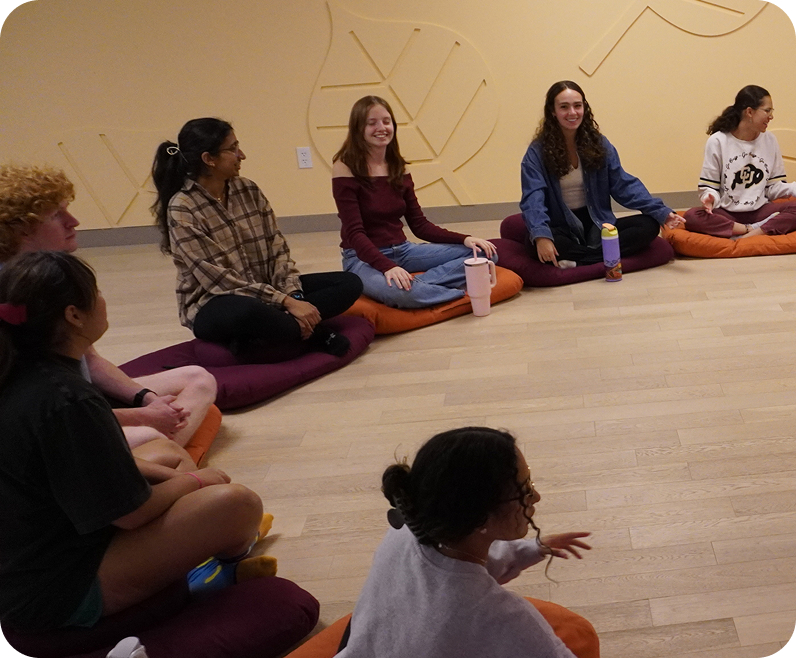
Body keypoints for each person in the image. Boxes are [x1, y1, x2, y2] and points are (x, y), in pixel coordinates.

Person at [0, 251, 277, 633]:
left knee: (166, 452)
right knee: (237, 503)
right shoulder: (66, 399)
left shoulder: (26, 372)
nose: (103, 299)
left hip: (54, 547)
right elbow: (131, 514)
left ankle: (201, 544)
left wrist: (174, 476)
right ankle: (219, 567)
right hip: (61, 590)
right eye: (96, 291)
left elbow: (79, 472)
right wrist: (197, 481)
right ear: (73, 315)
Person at [0, 164, 216, 468]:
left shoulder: (51, 275)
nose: (73, 221)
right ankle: (141, 464)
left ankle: (145, 458)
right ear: (22, 228)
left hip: (80, 405)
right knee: (151, 437)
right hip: (54, 426)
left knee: (199, 379)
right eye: (57, 215)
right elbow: (50, 410)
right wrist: (144, 417)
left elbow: (90, 361)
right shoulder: (17, 295)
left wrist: (147, 398)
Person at [336, 426, 597, 658]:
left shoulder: (407, 531)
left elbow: (462, 564)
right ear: (479, 517)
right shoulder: (502, 617)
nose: (536, 496)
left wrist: (534, 548)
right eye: (524, 488)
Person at [151, 118, 363, 357]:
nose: (241, 155)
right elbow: (222, 282)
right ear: (209, 159)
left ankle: (279, 332)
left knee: (349, 284)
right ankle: (313, 332)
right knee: (248, 312)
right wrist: (288, 303)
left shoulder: (248, 189)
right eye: (232, 149)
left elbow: (278, 249)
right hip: (218, 302)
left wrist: (293, 294)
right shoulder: (183, 208)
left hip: (269, 293)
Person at [332, 96, 497, 309]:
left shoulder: (398, 167)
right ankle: (454, 294)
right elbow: (355, 234)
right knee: (400, 294)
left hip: (403, 250)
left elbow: (420, 225)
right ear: (358, 129)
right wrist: (387, 267)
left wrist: (465, 239)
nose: (381, 128)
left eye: (386, 121)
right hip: (362, 258)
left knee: (485, 253)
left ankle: (420, 285)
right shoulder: (344, 167)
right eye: (371, 123)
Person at [520, 81, 683, 268]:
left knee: (648, 225)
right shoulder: (537, 152)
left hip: (598, 224)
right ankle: (603, 256)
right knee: (533, 243)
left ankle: (580, 261)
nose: (572, 113)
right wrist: (541, 236)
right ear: (552, 111)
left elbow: (624, 185)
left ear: (584, 108)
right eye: (564, 107)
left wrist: (661, 212)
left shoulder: (599, 144)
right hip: (562, 227)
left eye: (577, 106)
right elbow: (533, 199)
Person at [683, 85, 796, 239]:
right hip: (727, 213)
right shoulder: (718, 141)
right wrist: (710, 197)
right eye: (767, 111)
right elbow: (710, 187)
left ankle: (750, 232)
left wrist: (793, 188)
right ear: (749, 112)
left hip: (760, 211)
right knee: (691, 216)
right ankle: (750, 230)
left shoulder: (770, 140)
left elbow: (773, 187)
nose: (771, 116)